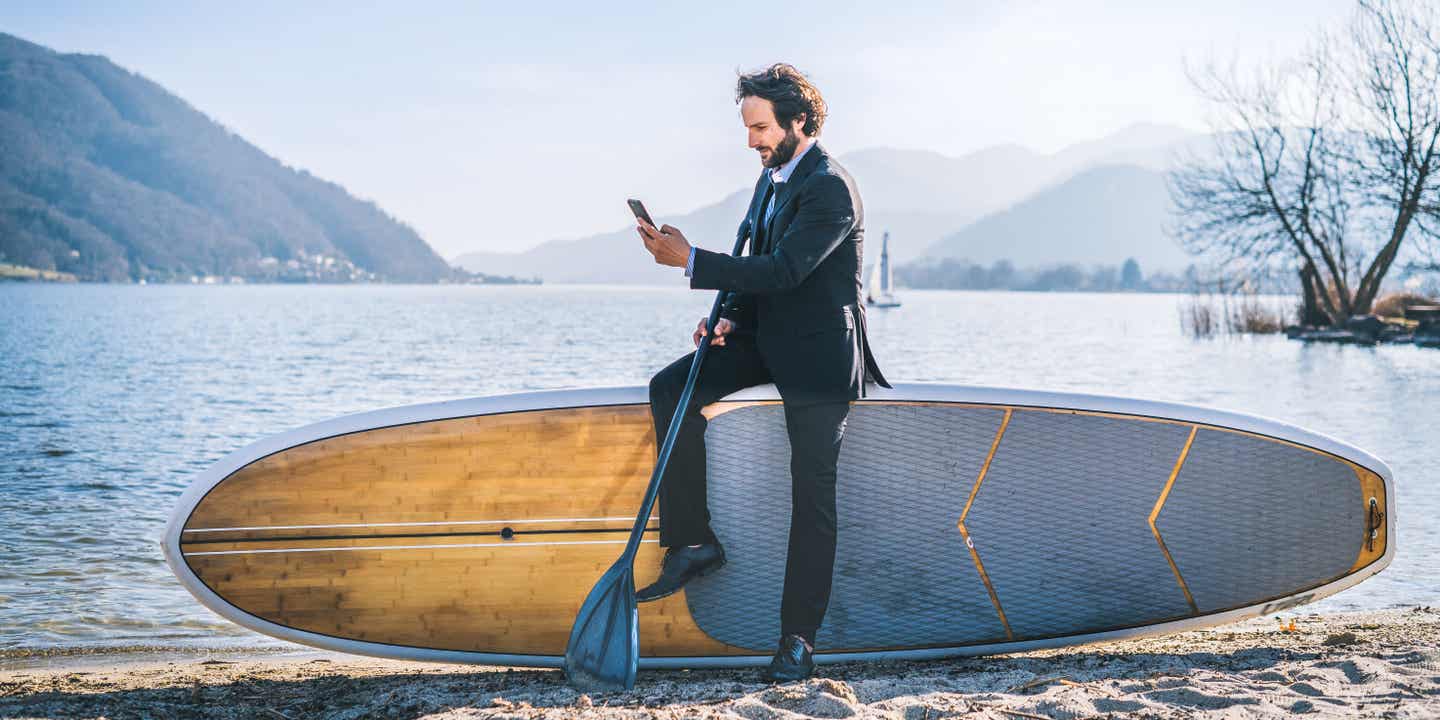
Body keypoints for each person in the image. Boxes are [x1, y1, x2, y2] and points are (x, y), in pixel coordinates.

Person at [634, 63, 889, 681]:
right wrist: (729, 321)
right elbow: (757, 265)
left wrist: (691, 259)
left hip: (821, 359)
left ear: (799, 121)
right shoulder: (771, 179)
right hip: (768, 338)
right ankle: (694, 542)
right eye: (748, 128)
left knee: (812, 499)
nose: (752, 141)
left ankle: (797, 640)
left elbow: (787, 270)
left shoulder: (830, 187)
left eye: (761, 127)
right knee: (672, 386)